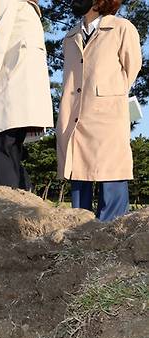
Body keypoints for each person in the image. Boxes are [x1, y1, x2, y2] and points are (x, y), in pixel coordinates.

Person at [56, 0, 142, 221]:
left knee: (111, 173)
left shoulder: (122, 28)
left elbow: (132, 69)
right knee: (78, 176)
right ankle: (79, 238)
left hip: (107, 116)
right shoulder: (70, 36)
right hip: (74, 115)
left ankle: (113, 238)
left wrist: (108, 94)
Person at [0, 0, 53, 188]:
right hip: (16, 97)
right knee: (9, 157)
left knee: (0, 162)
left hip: (5, 97)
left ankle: (2, 216)